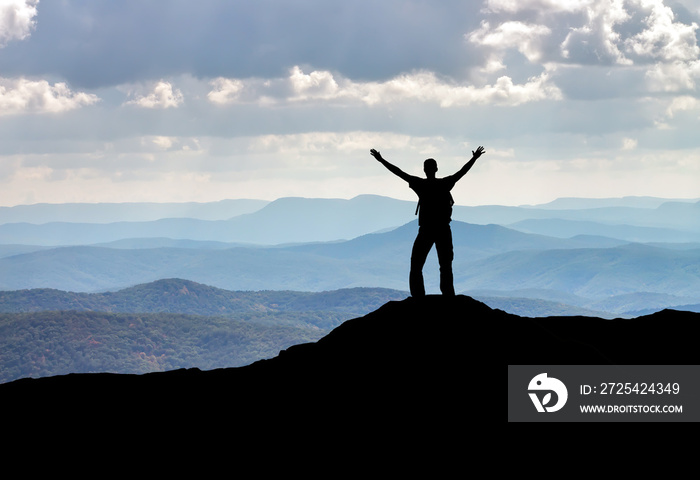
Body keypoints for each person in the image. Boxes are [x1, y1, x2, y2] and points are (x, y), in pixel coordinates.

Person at [370, 146, 486, 297]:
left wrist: (381, 160)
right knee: (445, 266)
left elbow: (399, 172)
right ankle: (448, 296)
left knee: (416, 265)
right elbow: (462, 172)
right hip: (443, 229)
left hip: (426, 230)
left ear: (424, 170)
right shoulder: (445, 183)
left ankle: (418, 297)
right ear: (436, 169)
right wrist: (474, 158)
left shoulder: (420, 184)